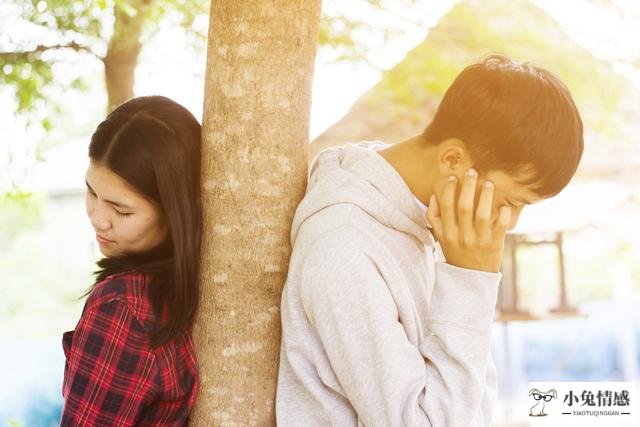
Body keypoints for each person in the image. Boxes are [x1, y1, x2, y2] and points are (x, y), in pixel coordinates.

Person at [276, 54, 583, 426]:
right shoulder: (343, 248)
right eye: (511, 201)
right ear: (453, 160)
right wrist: (471, 281)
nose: (510, 220)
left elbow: (473, 403)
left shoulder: (427, 225)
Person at [60, 96, 202, 426]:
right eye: (92, 193)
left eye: (122, 210)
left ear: (174, 212)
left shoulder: (123, 307)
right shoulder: (177, 292)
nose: (98, 218)